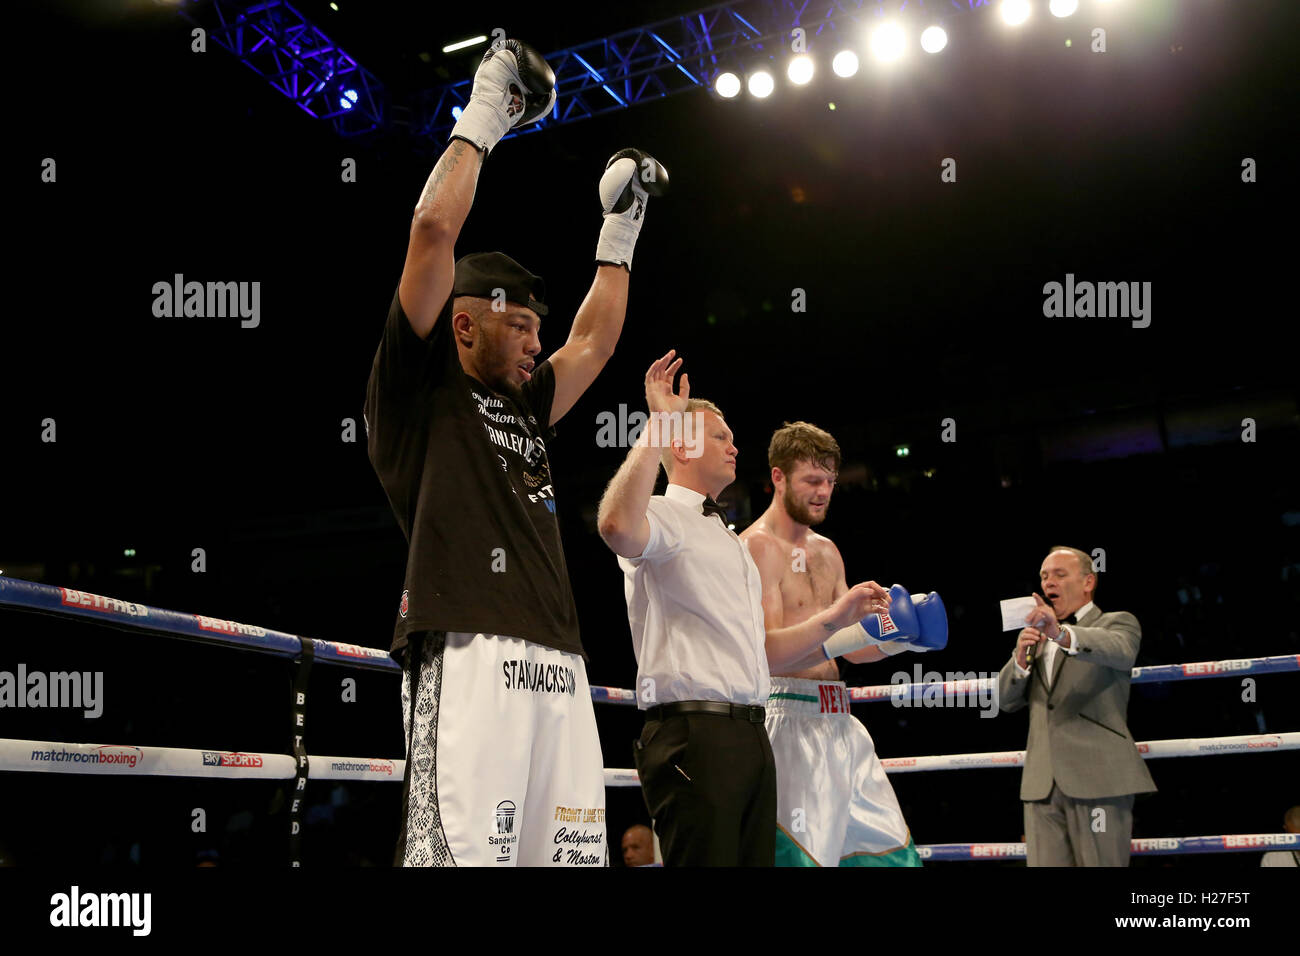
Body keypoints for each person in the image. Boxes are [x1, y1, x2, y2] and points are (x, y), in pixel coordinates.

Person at [363, 37, 665, 866]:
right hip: (465, 645)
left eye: (540, 327)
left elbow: (596, 343)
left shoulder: (526, 406)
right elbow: (432, 227)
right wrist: (490, 105)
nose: (539, 344)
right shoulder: (420, 387)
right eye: (521, 326)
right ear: (465, 323)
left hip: (559, 655)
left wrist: (622, 221)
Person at [597, 355, 861, 864]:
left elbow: (764, 650)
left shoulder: (730, 539)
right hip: (694, 734)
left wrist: (837, 619)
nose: (734, 446)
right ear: (683, 445)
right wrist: (658, 422)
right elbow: (614, 527)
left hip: (750, 732)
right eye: (720, 436)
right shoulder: (664, 516)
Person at [740, 421, 925, 867]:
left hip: (840, 719)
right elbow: (767, 653)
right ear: (778, 477)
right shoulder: (756, 547)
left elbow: (850, 646)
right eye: (811, 481)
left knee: (891, 858)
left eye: (829, 482)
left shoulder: (828, 550)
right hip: (787, 720)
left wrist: (900, 639)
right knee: (804, 859)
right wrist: (836, 618)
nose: (823, 492)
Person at [997, 546, 1157, 866]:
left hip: (1099, 777)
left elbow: (1120, 651)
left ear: (1088, 582)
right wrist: (1020, 662)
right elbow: (1004, 701)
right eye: (1044, 576)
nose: (1049, 582)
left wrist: (1060, 633)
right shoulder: (1035, 636)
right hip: (1041, 785)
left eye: (1059, 574)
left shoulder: (1117, 623)